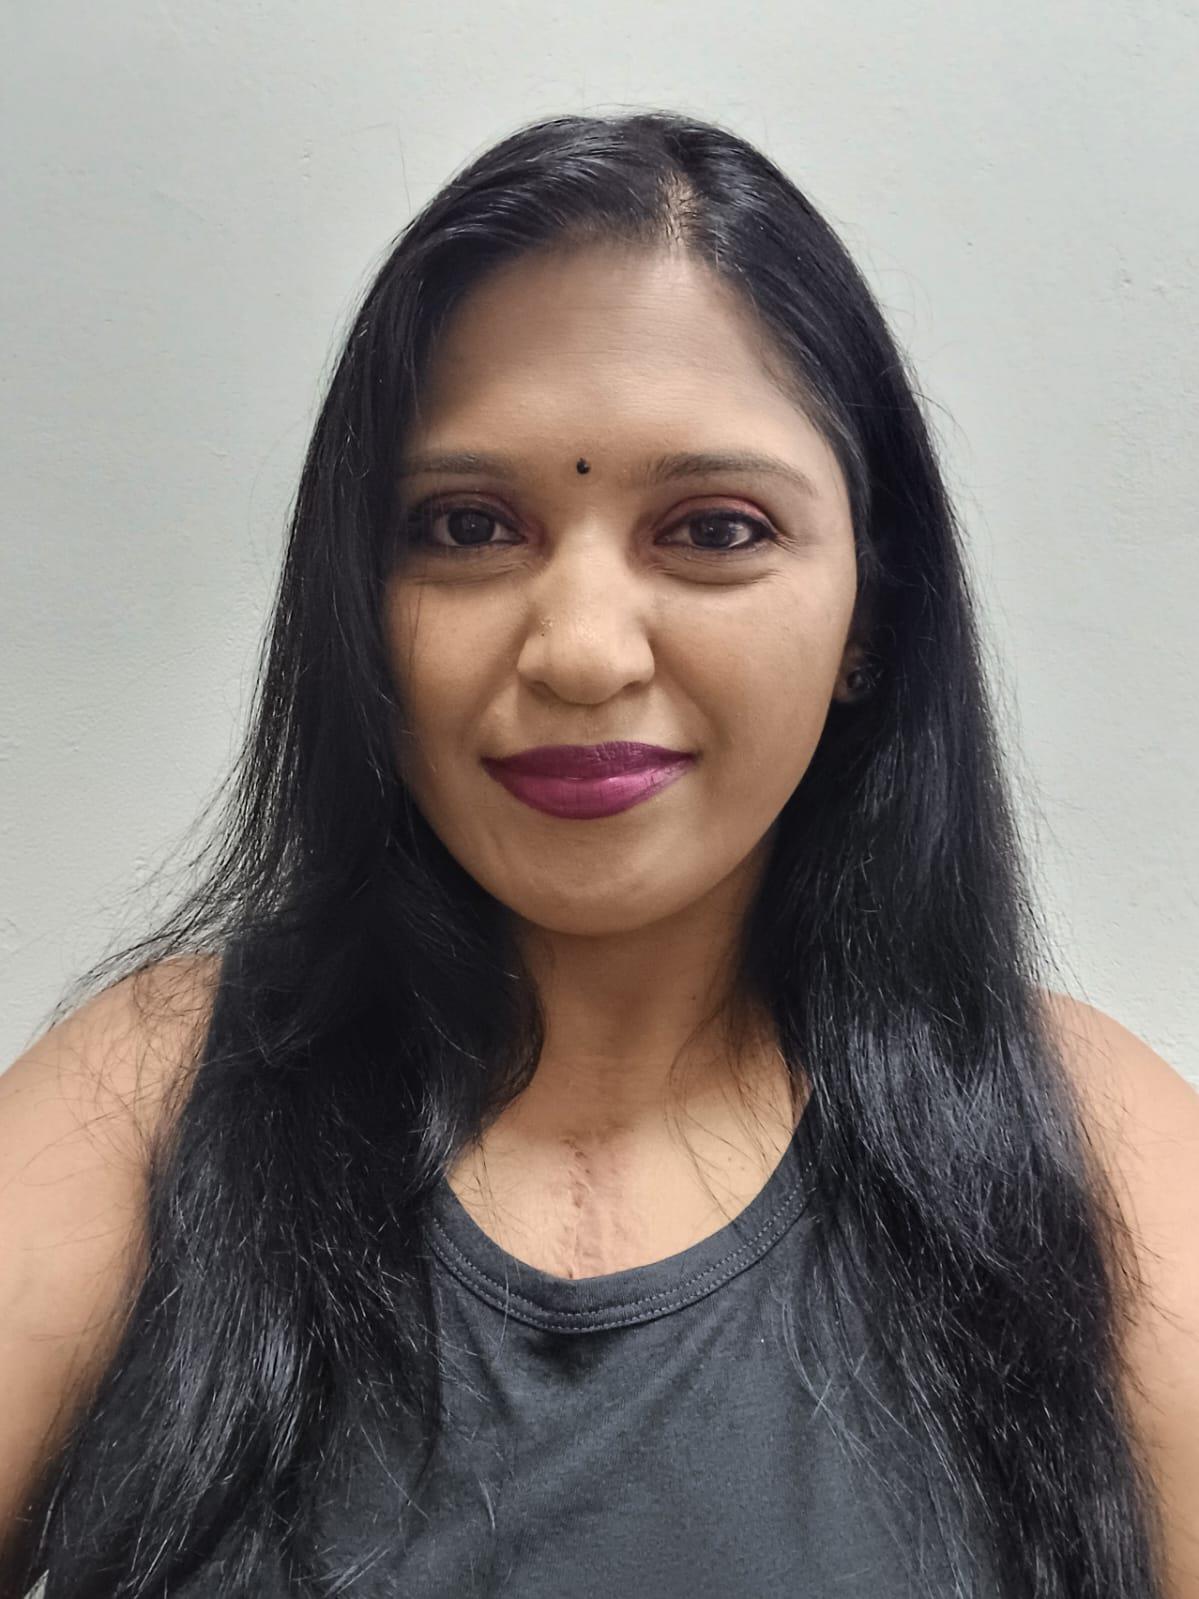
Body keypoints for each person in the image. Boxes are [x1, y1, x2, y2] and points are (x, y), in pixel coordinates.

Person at [1, 109, 1196, 1599]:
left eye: (715, 529)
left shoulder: (1098, 1150)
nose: (577, 651)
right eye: (467, 526)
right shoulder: (150, 1102)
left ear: (870, 620)